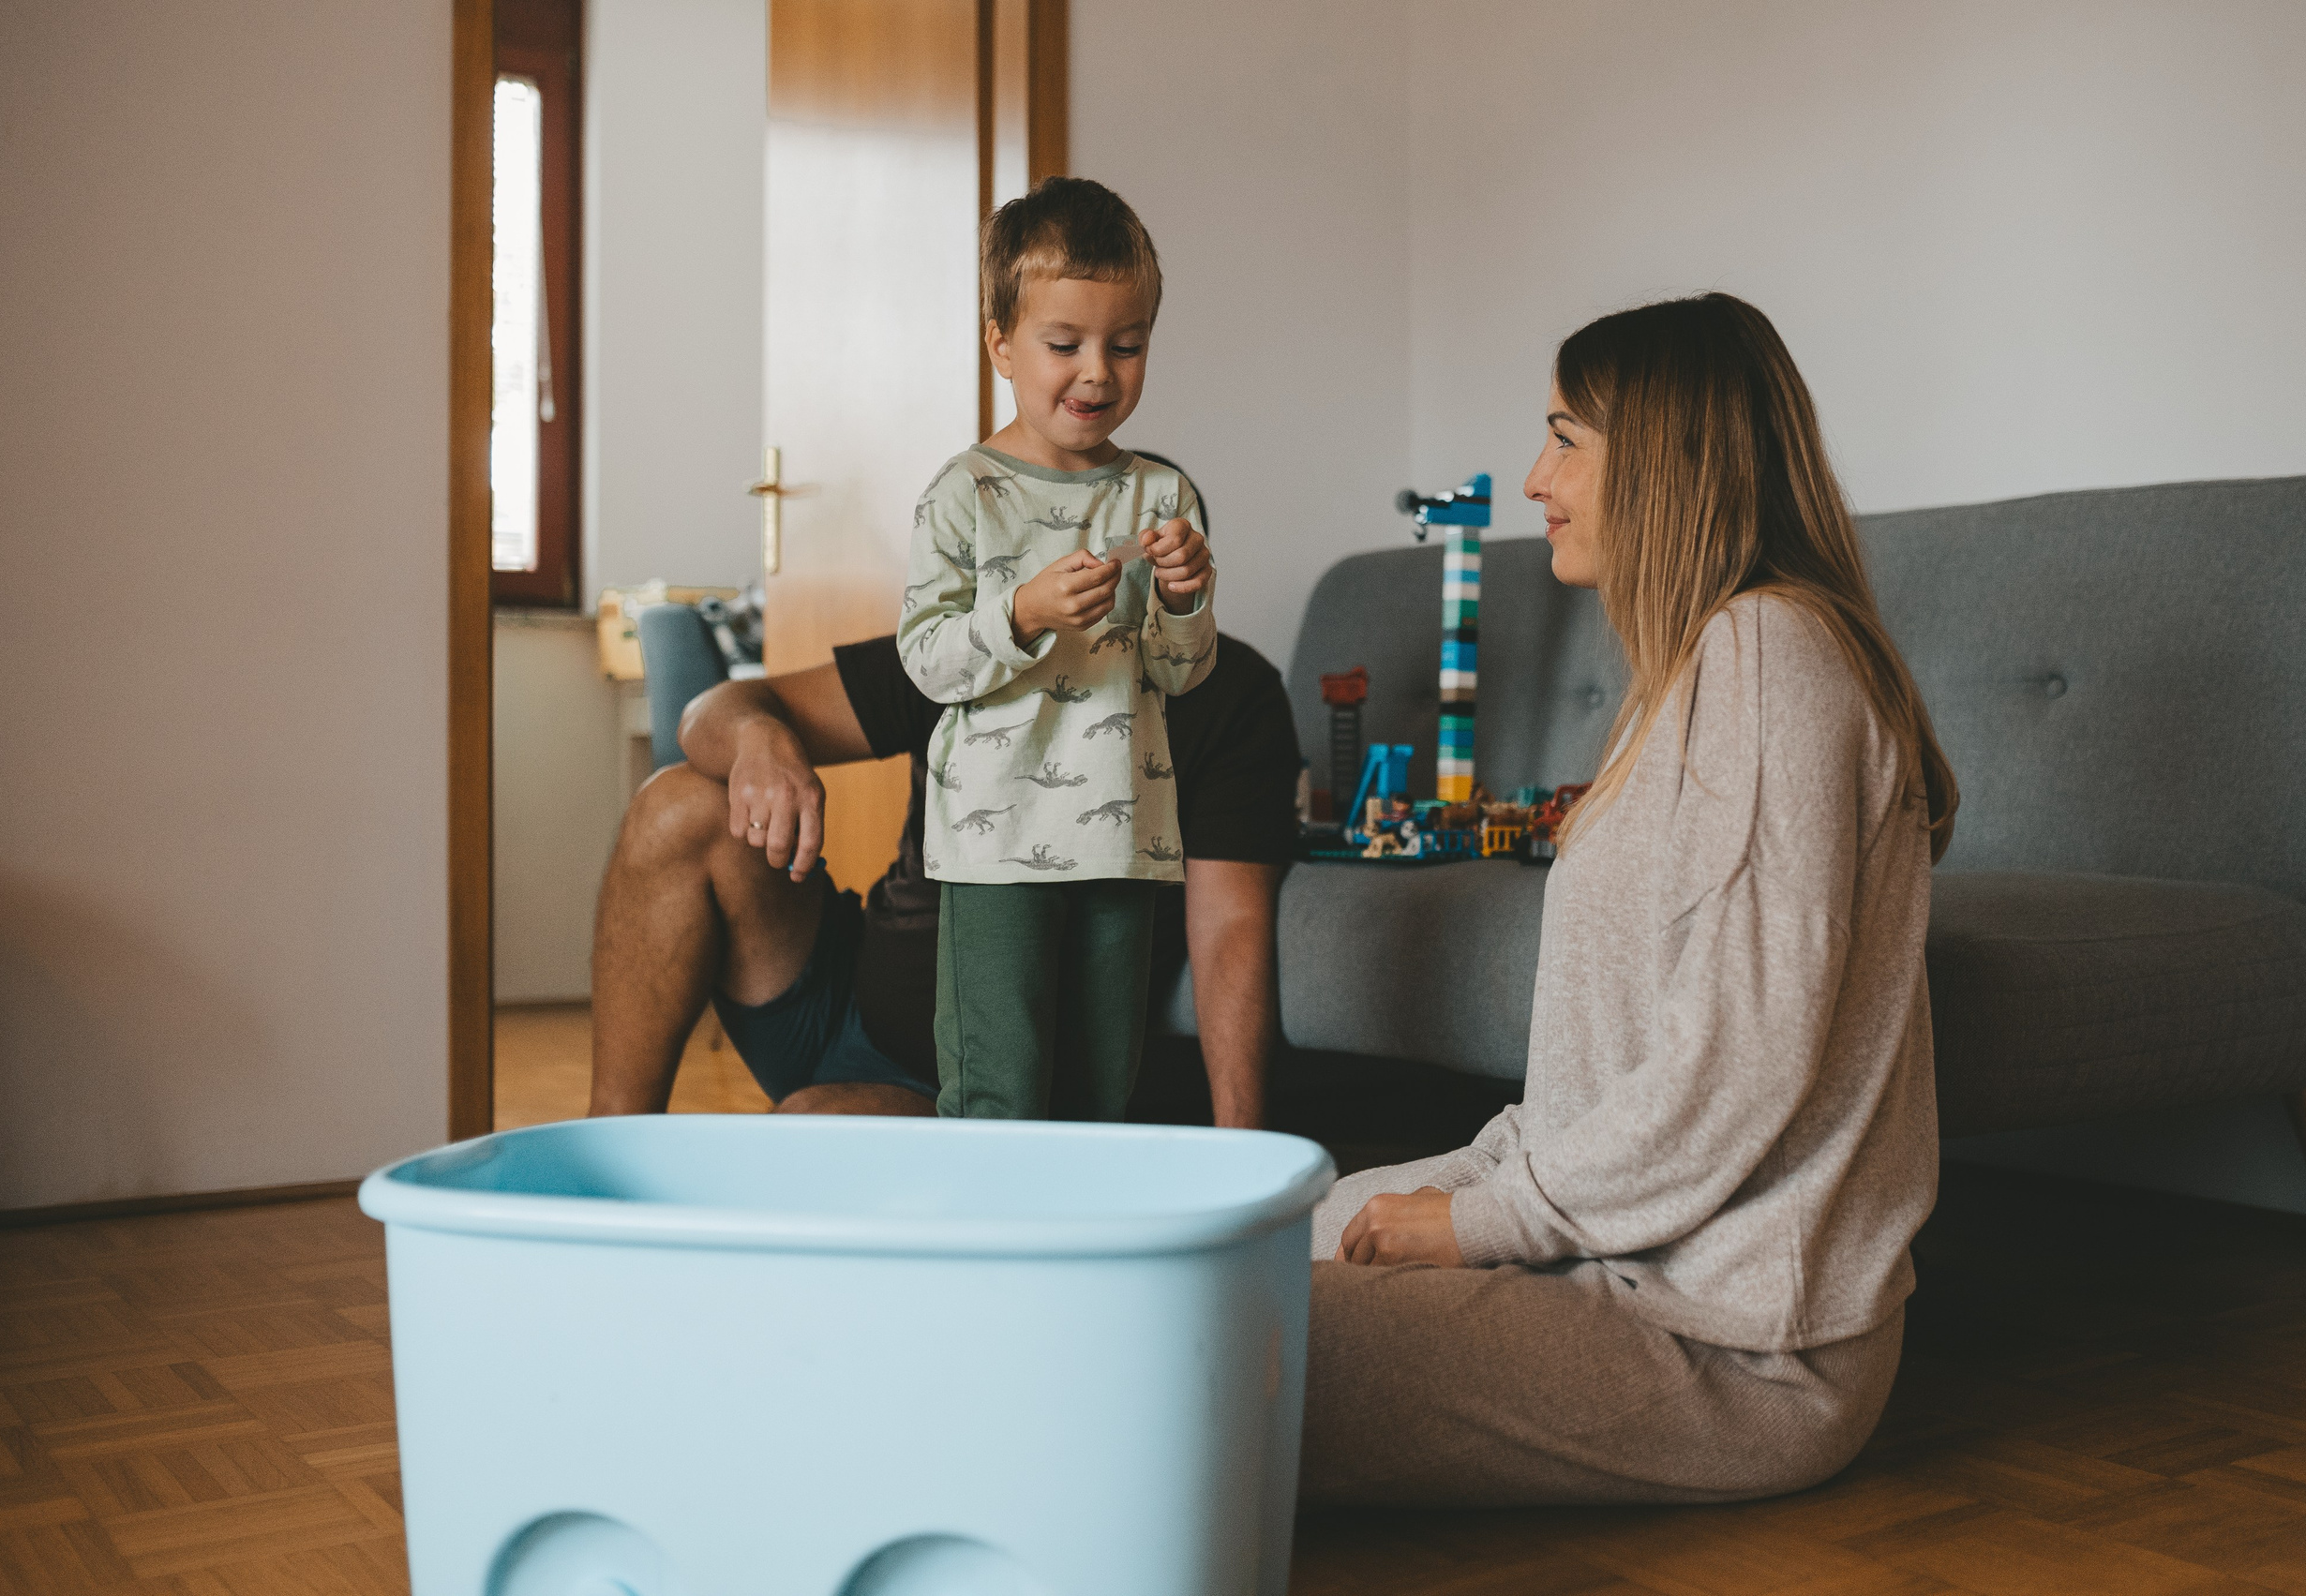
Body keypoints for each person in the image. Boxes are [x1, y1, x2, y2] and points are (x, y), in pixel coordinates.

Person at [1301, 292, 1959, 1505]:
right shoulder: (1693, 673)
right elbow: (1609, 1074)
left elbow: (1741, 1063)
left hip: (1731, 1343)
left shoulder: (1770, 656)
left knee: (1198, 1353)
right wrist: (1466, 1182)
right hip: (1615, 1252)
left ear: (1660, 461)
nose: (1537, 475)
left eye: (1566, 437)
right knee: (1251, 1233)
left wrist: (1487, 1221)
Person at [584, 622, 1298, 1128]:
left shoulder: (1228, 695)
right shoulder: (971, 645)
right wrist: (758, 739)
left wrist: (1247, 1159)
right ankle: (606, 1150)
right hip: (848, 1001)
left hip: (996, 1085)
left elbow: (1231, 924)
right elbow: (711, 711)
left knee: (807, 1129)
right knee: (674, 803)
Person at [897, 176, 1215, 1121]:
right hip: (994, 848)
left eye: (1126, 345)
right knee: (1000, 1088)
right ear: (1001, 343)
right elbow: (928, 659)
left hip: (1123, 842)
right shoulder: (964, 493)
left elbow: (1178, 671)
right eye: (1063, 343)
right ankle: (983, 1268)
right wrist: (1022, 611)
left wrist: (1185, 600)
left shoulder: (1162, 496)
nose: (1097, 372)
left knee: (1098, 1095)